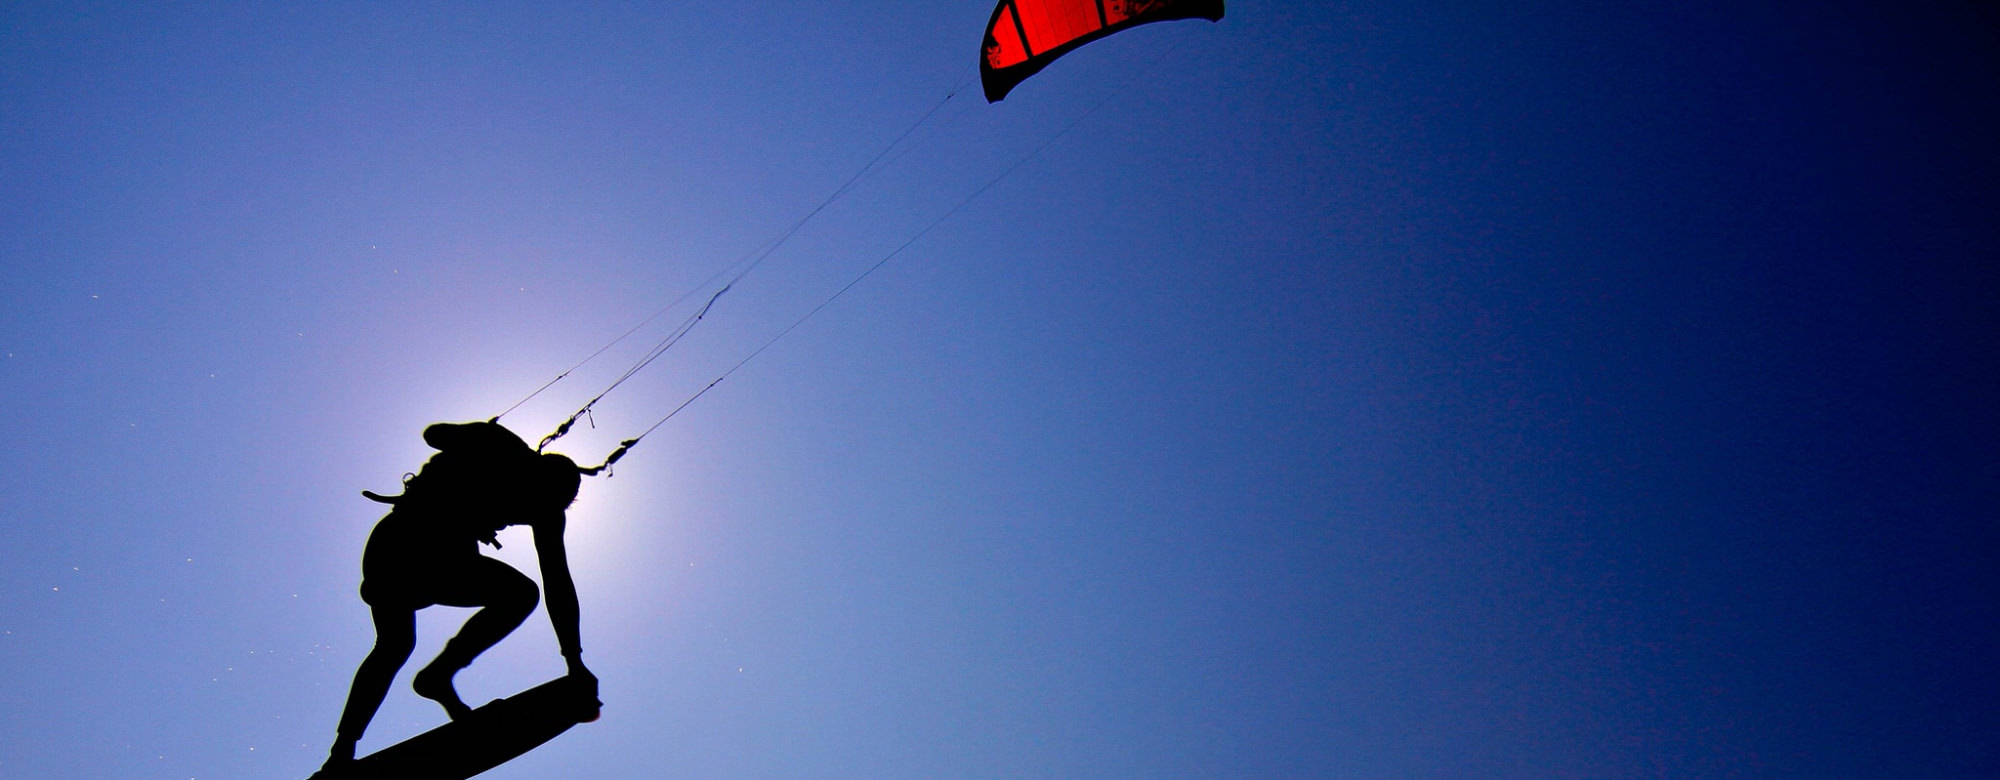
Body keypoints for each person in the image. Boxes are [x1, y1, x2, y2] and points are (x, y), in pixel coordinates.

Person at [320, 420, 596, 770]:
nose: (525, 517)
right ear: (532, 477)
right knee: (394, 646)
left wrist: (574, 660)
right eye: (528, 507)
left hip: (448, 563)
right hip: (396, 548)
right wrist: (477, 437)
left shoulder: (545, 511)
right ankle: (341, 752)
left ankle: (437, 676)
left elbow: (557, 580)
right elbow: (433, 434)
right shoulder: (500, 448)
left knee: (520, 594)